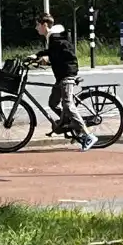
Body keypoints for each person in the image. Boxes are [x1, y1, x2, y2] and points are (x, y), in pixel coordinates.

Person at [29, 13, 97, 151]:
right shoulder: (53, 37)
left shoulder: (55, 37)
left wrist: (44, 59)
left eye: (37, 25)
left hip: (67, 75)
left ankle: (87, 135)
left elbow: (58, 55)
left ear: (44, 25)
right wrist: (38, 56)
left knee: (67, 104)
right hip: (61, 76)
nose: (36, 28)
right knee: (53, 103)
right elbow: (53, 53)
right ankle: (70, 123)